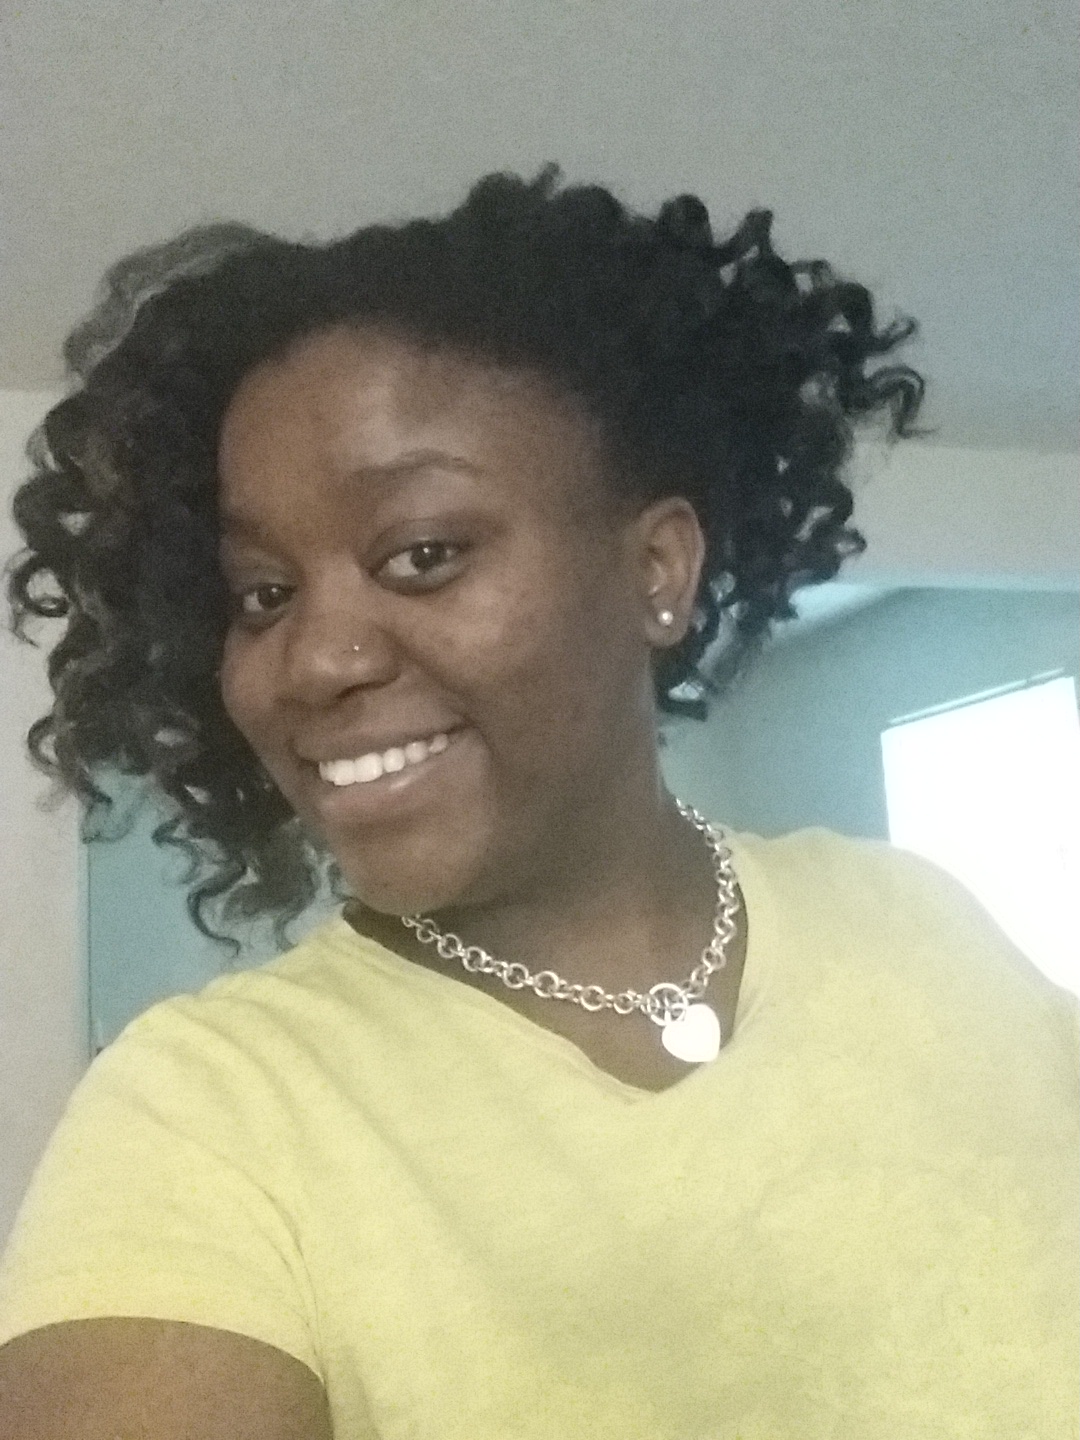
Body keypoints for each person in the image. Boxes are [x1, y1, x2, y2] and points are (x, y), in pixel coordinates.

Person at [0, 166, 1076, 1439]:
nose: (316, 659)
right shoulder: (207, 1110)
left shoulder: (914, 919)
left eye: (422, 555)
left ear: (657, 570)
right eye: (263, 594)